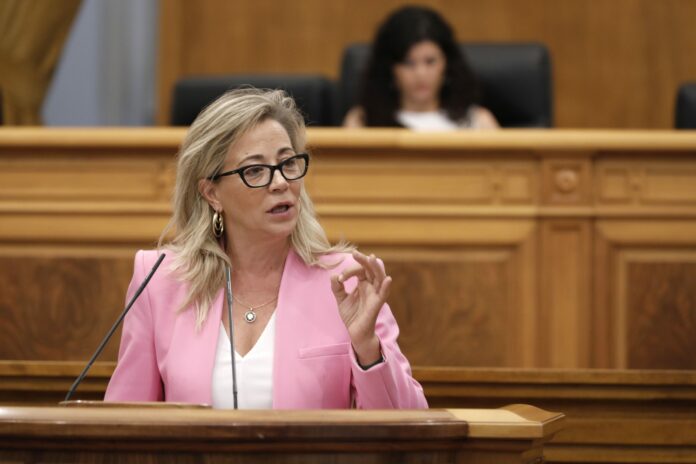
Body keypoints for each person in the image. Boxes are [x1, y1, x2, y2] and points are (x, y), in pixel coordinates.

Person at [104, 88, 428, 409]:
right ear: (212, 193)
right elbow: (124, 423)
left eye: (288, 163)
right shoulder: (158, 281)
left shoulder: (346, 281)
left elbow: (410, 423)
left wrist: (367, 348)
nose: (280, 182)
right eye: (254, 170)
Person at [344, 5, 499, 130]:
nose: (421, 74)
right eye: (408, 63)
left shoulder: (478, 122)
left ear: (447, 64)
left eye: (430, 62)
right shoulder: (362, 122)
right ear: (390, 68)